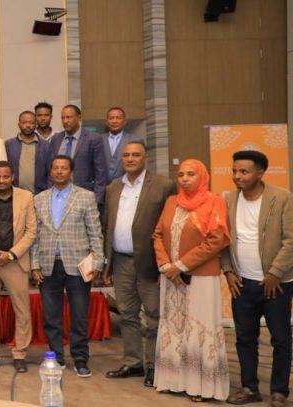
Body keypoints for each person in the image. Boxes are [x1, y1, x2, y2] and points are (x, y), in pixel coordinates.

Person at [151, 159, 230, 402]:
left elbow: (216, 240)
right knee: (174, 327)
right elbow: (158, 234)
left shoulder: (214, 201)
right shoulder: (171, 202)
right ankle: (172, 380)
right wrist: (165, 265)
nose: (184, 179)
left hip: (201, 277)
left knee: (199, 328)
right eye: (181, 174)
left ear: (202, 177)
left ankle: (201, 386)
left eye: (191, 174)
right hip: (170, 278)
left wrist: (181, 265)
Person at [221, 150, 293, 406]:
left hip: (276, 284)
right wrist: (228, 271)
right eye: (234, 171)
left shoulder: (282, 198)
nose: (237, 176)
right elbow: (223, 240)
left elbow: (290, 240)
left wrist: (275, 273)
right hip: (242, 283)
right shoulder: (228, 199)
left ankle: (280, 391)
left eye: (244, 171)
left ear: (260, 173)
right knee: (244, 338)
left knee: (281, 339)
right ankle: (249, 388)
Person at [102, 141, 174, 387]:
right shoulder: (113, 187)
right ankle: (133, 363)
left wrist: (166, 264)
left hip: (151, 262)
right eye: (126, 155)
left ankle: (154, 366)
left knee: (154, 316)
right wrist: (107, 264)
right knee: (127, 314)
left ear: (146, 158)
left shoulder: (163, 185)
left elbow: (170, 227)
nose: (130, 159)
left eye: (135, 155)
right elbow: (107, 226)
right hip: (121, 261)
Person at [30, 155, 103, 377]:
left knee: (79, 315)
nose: (59, 171)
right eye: (56, 168)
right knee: (51, 316)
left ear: (71, 172)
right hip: (48, 265)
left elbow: (95, 231)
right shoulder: (39, 199)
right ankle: (56, 357)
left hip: (79, 265)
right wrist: (35, 265)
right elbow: (35, 235)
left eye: (64, 168)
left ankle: (80, 359)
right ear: (50, 172)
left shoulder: (86, 197)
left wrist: (97, 261)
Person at [0, 162, 37, 373]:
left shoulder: (26, 197)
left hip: (15, 262)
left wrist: (11, 254)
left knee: (22, 310)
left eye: (5, 176)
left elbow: (31, 231)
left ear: (12, 177)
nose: (1, 180)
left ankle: (19, 354)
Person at [46, 105, 107, 204]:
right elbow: (50, 169)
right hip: (58, 196)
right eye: (63, 118)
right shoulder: (56, 139)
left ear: (79, 117)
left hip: (84, 196)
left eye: (69, 117)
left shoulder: (93, 139)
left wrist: (97, 200)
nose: (65, 121)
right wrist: (49, 195)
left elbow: (101, 173)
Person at [5, 111, 50, 193]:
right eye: (24, 123)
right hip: (15, 194)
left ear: (36, 124)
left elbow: (50, 172)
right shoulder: (9, 145)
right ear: (19, 125)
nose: (28, 125)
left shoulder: (46, 146)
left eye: (31, 123)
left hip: (39, 194)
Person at [100, 107, 143, 183]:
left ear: (125, 121)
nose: (114, 121)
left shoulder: (135, 140)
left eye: (118, 118)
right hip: (102, 186)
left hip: (127, 184)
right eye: (111, 118)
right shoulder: (98, 139)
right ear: (107, 122)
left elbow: (140, 165)